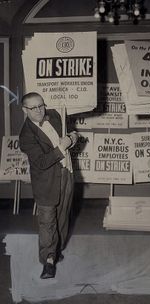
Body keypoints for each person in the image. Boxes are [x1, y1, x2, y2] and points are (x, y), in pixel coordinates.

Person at [19, 92, 78, 279]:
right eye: (33, 108)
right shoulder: (26, 136)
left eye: (41, 105)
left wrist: (73, 137)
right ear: (24, 110)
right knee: (47, 223)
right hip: (45, 183)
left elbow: (70, 134)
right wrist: (63, 146)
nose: (39, 110)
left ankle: (57, 250)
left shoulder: (54, 114)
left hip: (66, 175)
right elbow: (43, 162)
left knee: (63, 217)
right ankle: (48, 261)